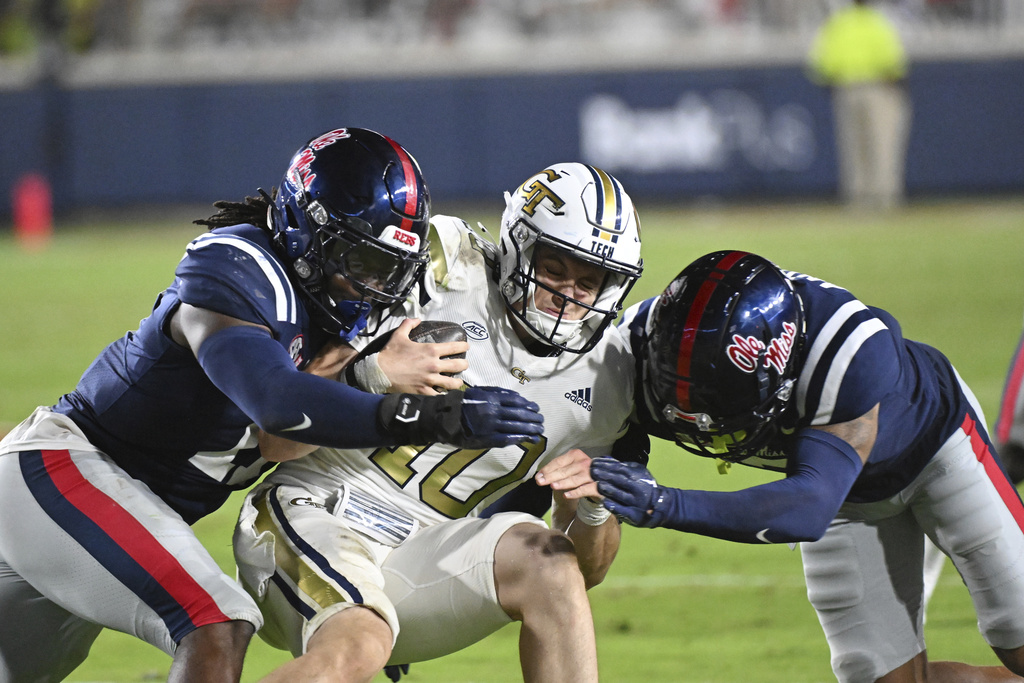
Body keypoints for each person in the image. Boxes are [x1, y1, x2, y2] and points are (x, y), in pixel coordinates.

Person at [0, 127, 543, 683]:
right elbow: (276, 402)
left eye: (386, 270)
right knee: (217, 621)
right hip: (65, 471)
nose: (370, 286)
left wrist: (366, 371)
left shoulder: (344, 315)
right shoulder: (237, 267)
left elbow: (278, 444)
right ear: (305, 231)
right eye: (357, 259)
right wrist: (430, 415)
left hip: (117, 505)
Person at [232, 162, 644, 683]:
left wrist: (589, 507)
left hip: (422, 550)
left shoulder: (608, 379)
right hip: (315, 508)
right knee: (360, 644)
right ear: (518, 245)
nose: (568, 296)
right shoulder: (445, 266)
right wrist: (374, 376)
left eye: (590, 282)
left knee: (551, 564)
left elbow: (589, 572)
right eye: (556, 271)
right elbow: (276, 438)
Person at [541, 250, 1024, 683]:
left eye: (717, 403)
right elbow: (584, 558)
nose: (698, 423)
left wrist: (663, 502)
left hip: (936, 448)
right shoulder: (629, 359)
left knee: (1017, 638)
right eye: (677, 402)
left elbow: (810, 506)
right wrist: (590, 502)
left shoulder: (849, 346)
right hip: (844, 494)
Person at [807, 0, 911, 210]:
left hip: (846, 87)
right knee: (882, 143)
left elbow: (820, 60)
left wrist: (831, 79)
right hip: (878, 86)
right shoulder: (878, 21)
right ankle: (884, 197)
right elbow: (893, 58)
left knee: (853, 145)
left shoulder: (839, 23)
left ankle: (857, 198)